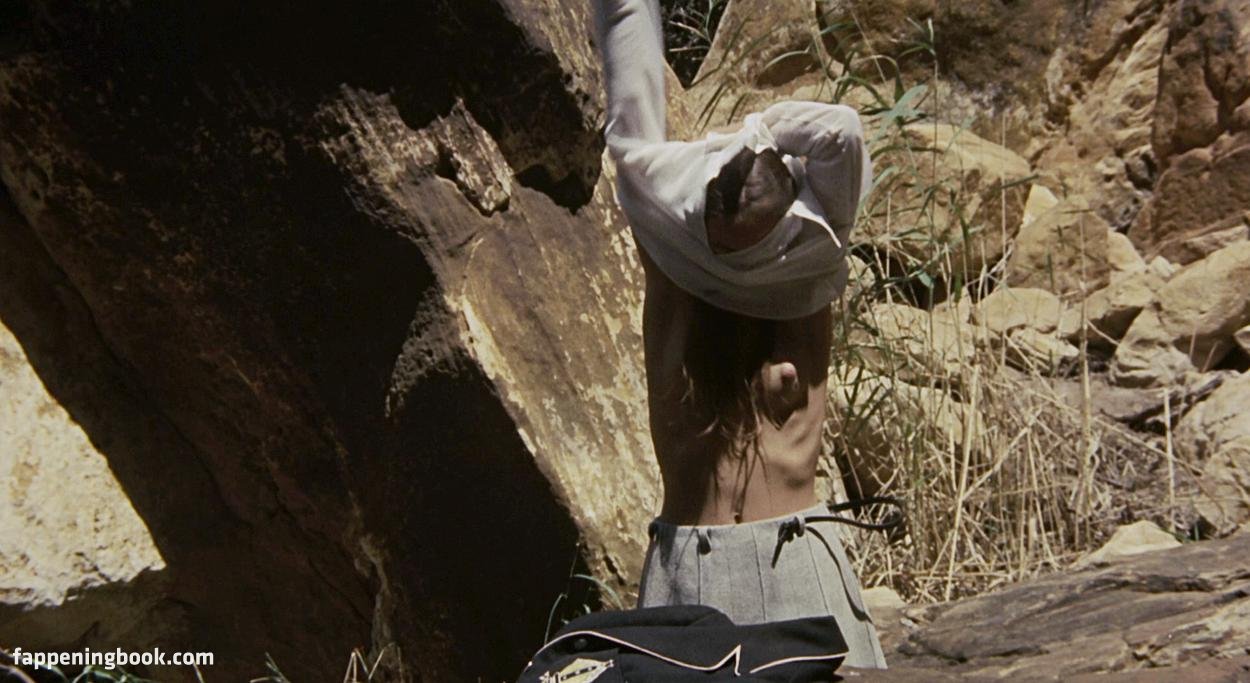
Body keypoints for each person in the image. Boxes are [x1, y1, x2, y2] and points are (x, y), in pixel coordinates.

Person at [592, 0, 887, 670]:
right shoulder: (673, 252)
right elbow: (628, 51)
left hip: (796, 565)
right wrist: (749, 143)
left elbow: (841, 130)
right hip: (688, 571)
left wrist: (758, 134)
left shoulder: (809, 262)